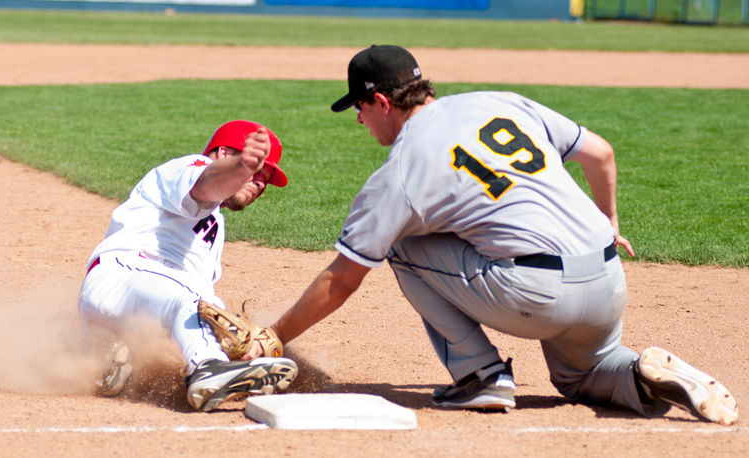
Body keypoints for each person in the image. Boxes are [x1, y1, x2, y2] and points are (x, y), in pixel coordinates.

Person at [252, 45, 738, 425]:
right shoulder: (499, 101)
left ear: (382, 102)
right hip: (608, 281)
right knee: (585, 376)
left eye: (360, 107)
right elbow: (601, 154)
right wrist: (609, 222)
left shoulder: (401, 168)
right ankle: (642, 374)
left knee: (397, 242)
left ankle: (480, 375)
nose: (358, 119)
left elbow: (342, 279)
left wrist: (273, 337)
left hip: (536, 294)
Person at [78, 120, 298, 412]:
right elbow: (206, 185)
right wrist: (241, 168)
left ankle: (117, 361)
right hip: (122, 276)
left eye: (265, 177)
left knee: (210, 314)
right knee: (197, 303)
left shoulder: (215, 228)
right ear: (222, 154)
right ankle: (208, 368)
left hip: (133, 313)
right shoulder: (188, 167)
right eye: (258, 170)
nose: (259, 182)